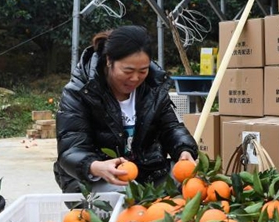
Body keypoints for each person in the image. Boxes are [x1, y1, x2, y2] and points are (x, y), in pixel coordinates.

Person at [54, 25, 197, 193]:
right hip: (92, 178)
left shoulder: (153, 89)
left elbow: (171, 128)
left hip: (146, 172)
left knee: (193, 181)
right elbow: (71, 149)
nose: (135, 78)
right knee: (124, 196)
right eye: (127, 70)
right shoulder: (80, 92)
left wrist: (184, 150)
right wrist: (94, 166)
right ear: (109, 60)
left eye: (143, 71)